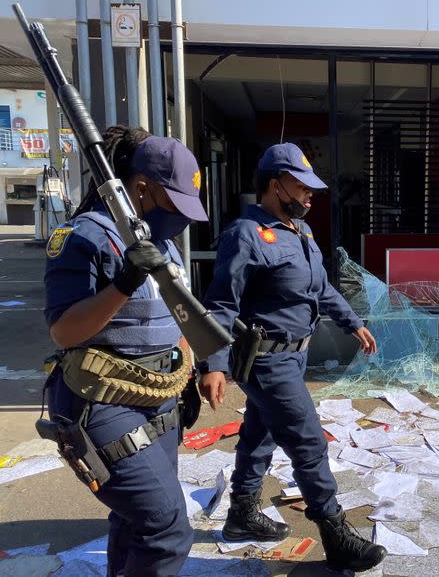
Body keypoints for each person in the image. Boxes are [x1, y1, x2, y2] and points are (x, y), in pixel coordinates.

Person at [198, 143, 386, 573]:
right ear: (273, 184)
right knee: (309, 443)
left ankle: (241, 514)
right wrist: (214, 364)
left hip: (295, 357)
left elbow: (321, 288)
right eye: (301, 188)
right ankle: (335, 533)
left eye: (310, 189)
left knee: (259, 435)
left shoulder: (300, 232)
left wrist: (352, 322)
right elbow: (221, 306)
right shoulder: (245, 234)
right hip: (265, 363)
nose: (309, 196)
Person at [43, 126, 209, 576]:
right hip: (102, 400)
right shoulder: (83, 236)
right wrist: (123, 282)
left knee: (135, 521)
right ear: (141, 189)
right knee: (166, 528)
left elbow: (170, 316)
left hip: (160, 396)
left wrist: (195, 368)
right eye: (176, 206)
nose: (184, 220)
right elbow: (64, 331)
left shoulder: (163, 244)